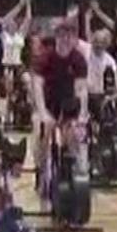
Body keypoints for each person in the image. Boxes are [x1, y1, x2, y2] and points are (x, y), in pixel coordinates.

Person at [30, 19, 89, 174]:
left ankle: (73, 168)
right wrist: (43, 113)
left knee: (74, 134)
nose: (66, 40)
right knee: (43, 130)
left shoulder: (79, 59)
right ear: (56, 37)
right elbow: (37, 86)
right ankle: (40, 169)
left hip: (68, 104)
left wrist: (82, 115)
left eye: (70, 36)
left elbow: (81, 89)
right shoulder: (45, 57)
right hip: (47, 103)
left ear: (75, 39)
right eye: (62, 36)